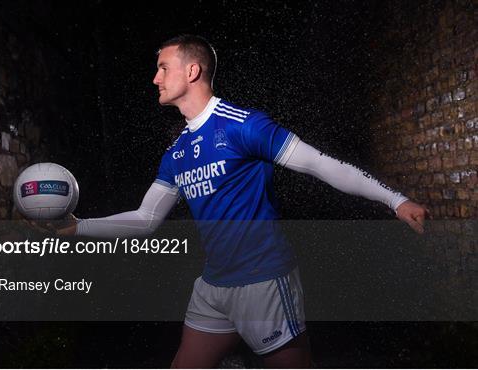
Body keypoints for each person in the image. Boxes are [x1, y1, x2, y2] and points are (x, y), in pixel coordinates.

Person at [57, 35, 429, 368]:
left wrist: (395, 200)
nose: (155, 78)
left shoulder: (243, 126)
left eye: (162, 68)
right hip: (213, 287)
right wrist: (76, 228)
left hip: (262, 281)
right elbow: (145, 219)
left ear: (192, 71)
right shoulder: (177, 152)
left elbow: (321, 165)